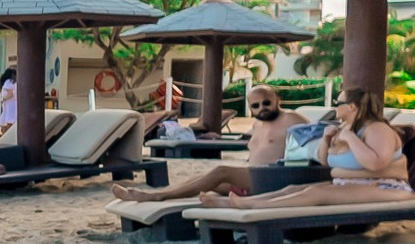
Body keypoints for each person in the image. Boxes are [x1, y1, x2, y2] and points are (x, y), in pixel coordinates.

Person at [198, 86, 409, 210]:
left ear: (352, 107)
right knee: (293, 189)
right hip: (348, 182)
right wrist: (327, 141)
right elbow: (326, 162)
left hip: (386, 187)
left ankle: (252, 207)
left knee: (316, 192)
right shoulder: (346, 128)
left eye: (339, 102)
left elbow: (376, 164)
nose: (336, 105)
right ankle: (242, 202)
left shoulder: (376, 129)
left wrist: (351, 138)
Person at [112, 85, 296, 202]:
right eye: (256, 106)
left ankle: (157, 196)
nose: (262, 108)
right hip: (253, 180)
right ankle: (157, 194)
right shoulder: (258, 125)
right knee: (200, 179)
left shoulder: (292, 119)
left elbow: (313, 145)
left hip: (274, 179)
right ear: (250, 108)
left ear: (277, 100)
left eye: (266, 103)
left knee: (221, 171)